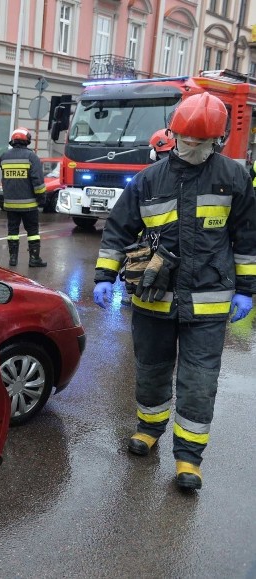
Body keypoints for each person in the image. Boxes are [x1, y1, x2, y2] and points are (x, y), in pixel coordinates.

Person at [92, 92, 256, 491]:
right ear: (174, 134)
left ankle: (188, 460)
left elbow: (247, 236)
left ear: (216, 141)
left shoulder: (234, 178)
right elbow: (118, 230)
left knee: (200, 381)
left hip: (209, 300)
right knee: (151, 370)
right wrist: (104, 274)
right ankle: (149, 430)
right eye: (186, 140)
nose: (193, 148)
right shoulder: (149, 180)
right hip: (154, 297)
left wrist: (247, 289)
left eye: (201, 143)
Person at [0, 127, 47, 267]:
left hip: (10, 204)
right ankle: (34, 259)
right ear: (27, 141)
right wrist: (41, 198)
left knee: (12, 231)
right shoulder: (32, 157)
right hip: (29, 205)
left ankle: (12, 259)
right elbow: (37, 181)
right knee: (32, 232)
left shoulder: (4, 157)